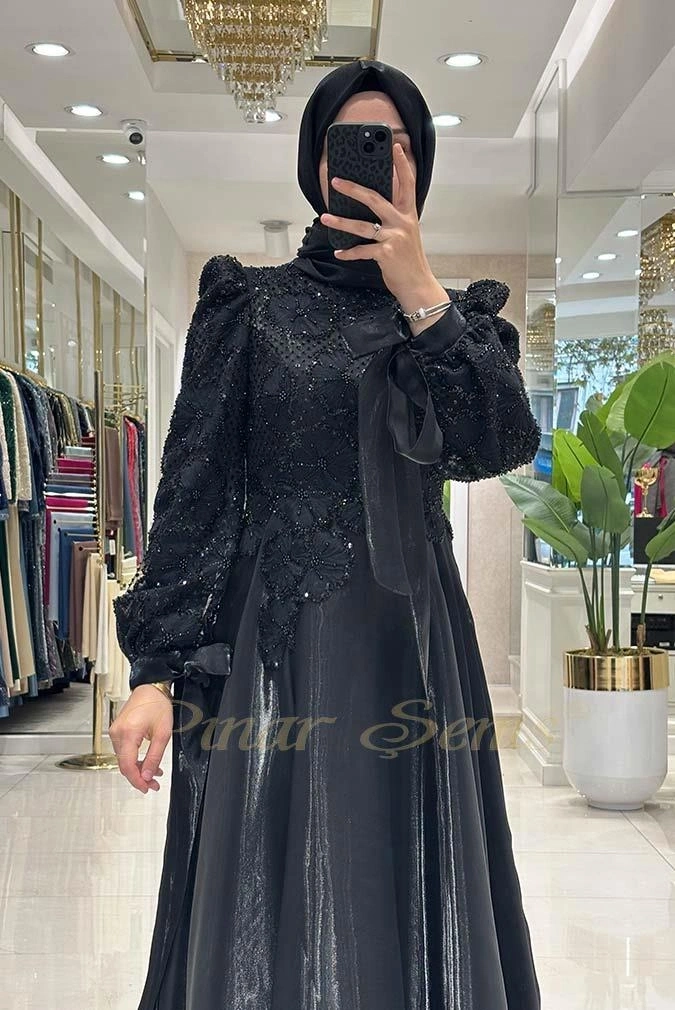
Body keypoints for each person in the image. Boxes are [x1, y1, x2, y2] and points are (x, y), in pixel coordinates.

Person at [109, 59, 542, 1010]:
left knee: (402, 856)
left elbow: (497, 445)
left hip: (414, 642)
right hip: (279, 642)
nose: (379, 159)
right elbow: (195, 491)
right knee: (273, 864)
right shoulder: (247, 305)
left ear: (422, 165)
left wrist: (419, 289)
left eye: (398, 143)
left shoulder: (459, 321)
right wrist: (152, 672)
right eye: (356, 142)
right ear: (316, 162)